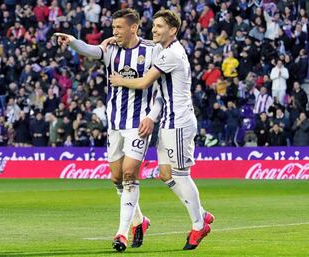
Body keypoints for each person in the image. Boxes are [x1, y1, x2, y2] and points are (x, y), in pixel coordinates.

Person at [109, 10, 214, 250]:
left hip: (179, 122)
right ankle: (201, 214)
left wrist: (120, 80)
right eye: (154, 26)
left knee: (179, 174)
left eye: (159, 26)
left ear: (172, 30)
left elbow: (144, 82)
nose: (154, 30)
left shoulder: (172, 54)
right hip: (169, 120)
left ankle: (199, 225)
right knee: (165, 174)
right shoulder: (165, 51)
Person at [54, 8, 154, 252]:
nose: (114, 32)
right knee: (117, 178)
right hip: (115, 124)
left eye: (119, 27)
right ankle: (140, 220)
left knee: (130, 174)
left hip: (138, 124)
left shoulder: (151, 51)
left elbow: (160, 90)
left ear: (133, 27)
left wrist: (151, 116)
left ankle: (121, 233)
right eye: (113, 28)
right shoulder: (111, 50)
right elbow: (91, 51)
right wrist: (72, 41)